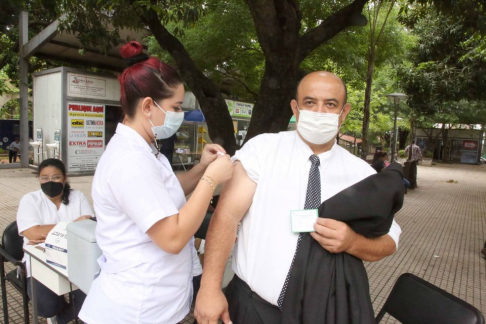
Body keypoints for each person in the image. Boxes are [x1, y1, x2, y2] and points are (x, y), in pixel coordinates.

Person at [195, 71, 402, 324]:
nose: (319, 112)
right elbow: (226, 217)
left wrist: (352, 242)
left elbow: (390, 239)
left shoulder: (362, 175)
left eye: (330, 104)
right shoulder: (262, 150)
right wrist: (209, 288)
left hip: (321, 314)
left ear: (343, 112)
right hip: (253, 308)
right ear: (295, 107)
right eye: (310, 102)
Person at [78, 41, 234, 324]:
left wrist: (201, 168)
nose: (180, 114)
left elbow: (166, 190)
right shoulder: (129, 161)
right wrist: (211, 180)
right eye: (175, 107)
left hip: (155, 302)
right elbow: (172, 238)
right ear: (148, 105)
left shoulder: (145, 148)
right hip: (136, 309)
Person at [16, 158, 93, 324]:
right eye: (44, 178)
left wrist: (47, 231)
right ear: (39, 179)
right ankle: (62, 312)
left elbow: (88, 227)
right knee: (46, 307)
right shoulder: (30, 200)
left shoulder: (77, 197)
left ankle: (62, 318)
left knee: (91, 296)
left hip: (75, 259)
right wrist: (73, 226)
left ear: (64, 178)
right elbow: (33, 233)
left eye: (55, 177)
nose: (50, 182)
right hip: (39, 261)